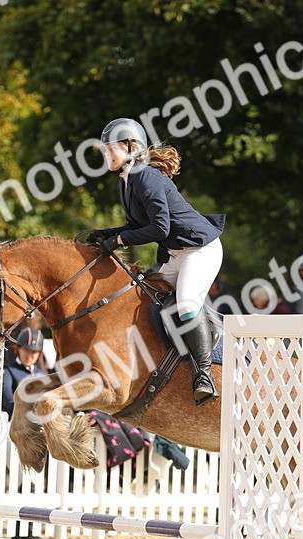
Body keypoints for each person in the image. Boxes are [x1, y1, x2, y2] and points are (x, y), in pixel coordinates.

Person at [88, 117, 226, 406]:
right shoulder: (127, 180)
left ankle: (204, 375)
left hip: (199, 249)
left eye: (110, 148)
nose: (106, 154)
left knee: (186, 304)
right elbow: (137, 225)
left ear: (131, 148)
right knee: (146, 294)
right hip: (176, 253)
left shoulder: (146, 177)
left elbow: (160, 229)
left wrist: (120, 241)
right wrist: (108, 234)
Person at [1, 328, 45, 417]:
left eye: (33, 352)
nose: (29, 355)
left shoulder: (42, 375)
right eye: (26, 350)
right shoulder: (8, 371)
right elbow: (8, 401)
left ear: (39, 354)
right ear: (18, 349)